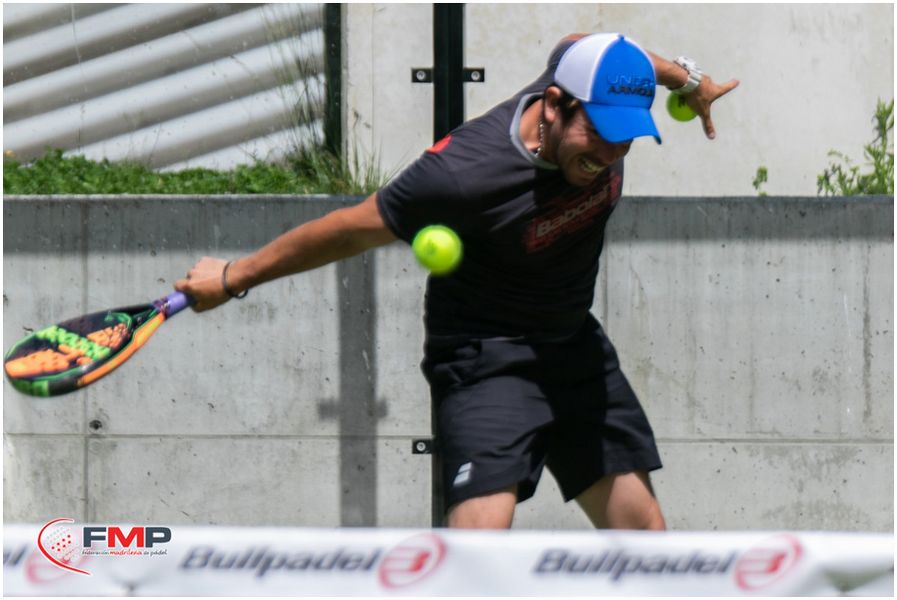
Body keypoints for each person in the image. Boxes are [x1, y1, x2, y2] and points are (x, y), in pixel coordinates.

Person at [176, 33, 739, 530]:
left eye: (627, 137)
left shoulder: (589, 73)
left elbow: (606, 47)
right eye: (599, 132)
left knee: (644, 540)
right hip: (486, 356)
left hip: (573, 345)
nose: (610, 152)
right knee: (479, 547)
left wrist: (690, 81)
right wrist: (232, 276)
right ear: (554, 104)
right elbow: (348, 230)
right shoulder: (462, 174)